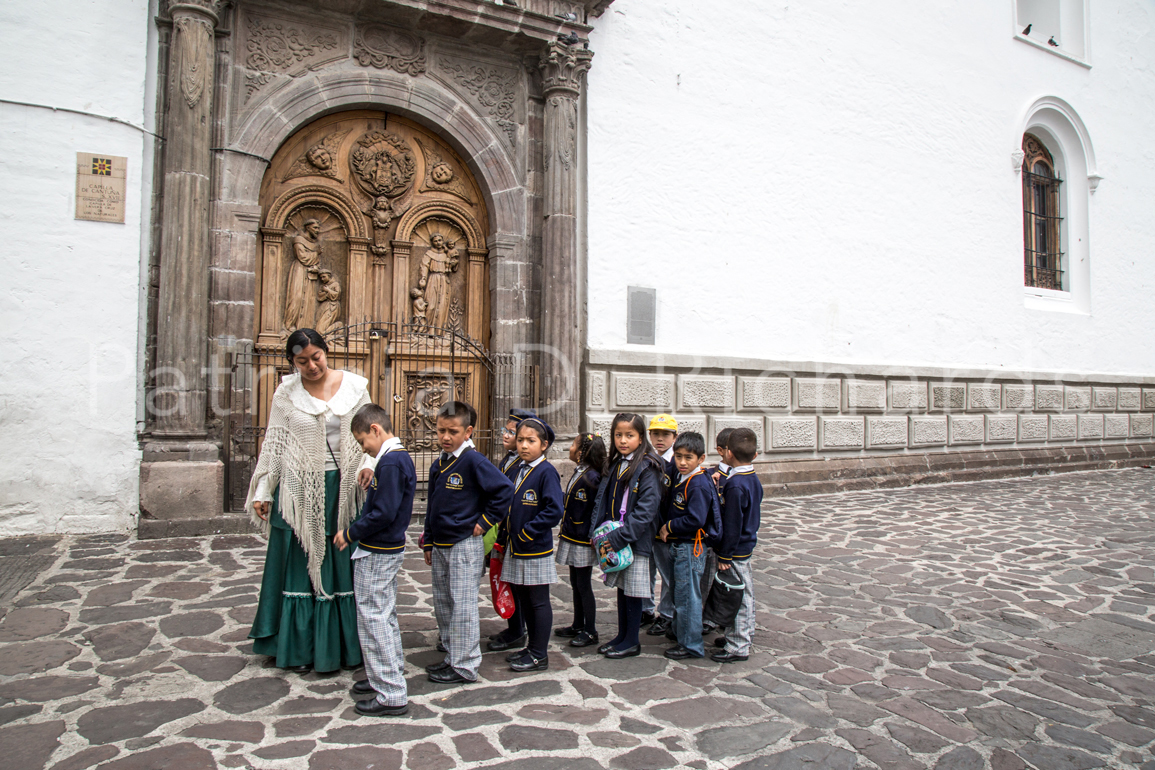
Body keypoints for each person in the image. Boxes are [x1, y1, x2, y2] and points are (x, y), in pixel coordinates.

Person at [246, 328, 372, 673]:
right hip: (300, 489)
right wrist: (263, 489)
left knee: (339, 563)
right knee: (299, 567)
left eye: (316, 357)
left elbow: (372, 433)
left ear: (326, 352)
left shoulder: (355, 388)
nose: (312, 366)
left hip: (343, 490)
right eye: (302, 361)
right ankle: (298, 647)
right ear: (293, 362)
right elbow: (275, 443)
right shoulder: (285, 393)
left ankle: (344, 646)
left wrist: (371, 465)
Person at [422, 401, 514, 684]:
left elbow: (504, 490)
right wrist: (428, 540)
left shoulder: (474, 461)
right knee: (444, 602)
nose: (446, 437)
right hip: (441, 544)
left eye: (453, 431)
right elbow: (432, 505)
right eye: (440, 431)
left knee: (462, 605)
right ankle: (452, 654)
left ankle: (465, 665)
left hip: (464, 544)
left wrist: (485, 522)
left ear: (468, 431)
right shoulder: (440, 463)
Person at [334, 403, 415, 717]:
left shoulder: (392, 462)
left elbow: (383, 512)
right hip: (383, 547)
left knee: (374, 617)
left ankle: (391, 693)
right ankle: (387, 673)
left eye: (362, 441)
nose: (363, 448)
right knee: (383, 613)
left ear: (375, 430)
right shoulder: (391, 459)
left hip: (378, 548)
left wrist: (351, 533)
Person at [590, 413, 665, 659]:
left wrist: (623, 537)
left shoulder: (647, 466)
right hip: (616, 538)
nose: (623, 440)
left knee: (633, 591)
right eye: (618, 435)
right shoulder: (616, 463)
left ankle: (631, 641)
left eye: (629, 435)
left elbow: (646, 509)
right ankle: (622, 636)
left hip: (634, 540)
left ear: (641, 437)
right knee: (622, 588)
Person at [498, 417, 565, 671]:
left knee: (538, 602)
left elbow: (554, 510)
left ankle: (539, 654)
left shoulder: (545, 471)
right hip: (517, 548)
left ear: (544, 444)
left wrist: (527, 532)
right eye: (521, 439)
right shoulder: (518, 468)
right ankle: (530, 647)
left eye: (531, 441)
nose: (524, 445)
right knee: (525, 601)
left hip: (534, 548)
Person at [656, 432, 718, 660]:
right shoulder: (684, 477)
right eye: (679, 457)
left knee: (687, 597)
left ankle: (691, 644)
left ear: (700, 459)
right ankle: (680, 633)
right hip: (680, 546)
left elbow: (696, 518)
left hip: (689, 548)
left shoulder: (698, 484)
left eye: (688, 458)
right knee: (679, 593)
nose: (682, 462)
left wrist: (669, 526)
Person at [487, 407, 539, 654]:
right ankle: (514, 627)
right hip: (504, 529)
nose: (505, 436)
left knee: (517, 585)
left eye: (511, 433)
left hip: (516, 531)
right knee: (506, 580)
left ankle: (519, 632)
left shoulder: (524, 463)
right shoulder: (507, 459)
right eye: (505, 431)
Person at [711, 427, 763, 663]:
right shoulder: (752, 479)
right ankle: (743, 633)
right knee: (745, 592)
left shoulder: (735, 486)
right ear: (755, 455)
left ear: (728, 454)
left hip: (736, 549)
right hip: (747, 544)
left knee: (737, 596)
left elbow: (732, 525)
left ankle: (738, 645)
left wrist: (725, 556)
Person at [554, 432, 606, 648]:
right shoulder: (580, 472)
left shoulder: (592, 477)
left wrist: (591, 532)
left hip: (582, 537)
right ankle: (577, 624)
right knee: (575, 582)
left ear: (583, 451)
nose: (570, 448)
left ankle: (590, 630)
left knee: (584, 585)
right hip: (572, 534)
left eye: (574, 444)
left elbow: (597, 507)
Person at [646, 413, 678, 636]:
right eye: (656, 433)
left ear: (674, 437)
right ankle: (645, 609)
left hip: (665, 530)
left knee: (668, 576)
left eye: (665, 434)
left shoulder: (678, 463)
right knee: (645, 571)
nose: (660, 439)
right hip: (647, 527)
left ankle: (666, 614)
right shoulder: (647, 459)